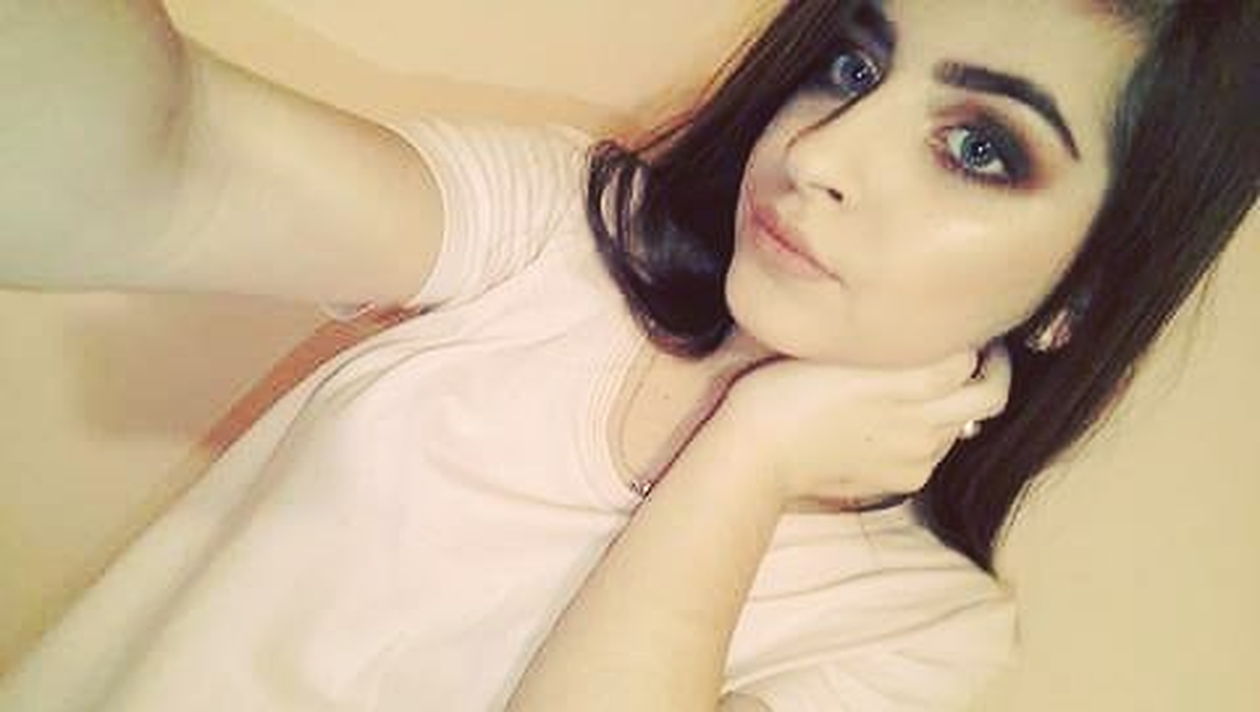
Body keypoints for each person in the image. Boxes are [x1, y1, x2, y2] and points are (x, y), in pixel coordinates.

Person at [0, 0, 1255, 710]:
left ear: (1080, 296)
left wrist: (749, 458)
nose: (819, 153)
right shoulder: (562, 232)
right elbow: (154, 170)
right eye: (852, 66)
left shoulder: (917, 635)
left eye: (977, 146)